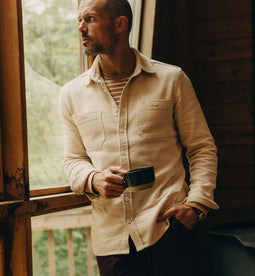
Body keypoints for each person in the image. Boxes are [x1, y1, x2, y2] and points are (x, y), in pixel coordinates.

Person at [59, 0, 219, 275]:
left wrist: (196, 205)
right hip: (113, 243)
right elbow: (73, 159)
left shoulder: (171, 79)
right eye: (79, 20)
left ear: (120, 24)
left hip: (171, 231)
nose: (81, 28)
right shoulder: (71, 94)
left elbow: (202, 147)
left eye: (90, 19)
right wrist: (93, 179)